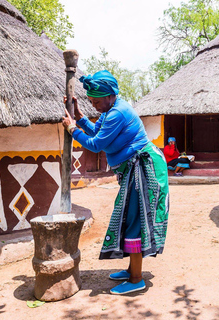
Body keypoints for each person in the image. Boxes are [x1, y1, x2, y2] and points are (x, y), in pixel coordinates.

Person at [61, 70, 169, 295]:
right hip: (135, 170)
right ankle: (132, 270)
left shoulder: (117, 113)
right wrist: (80, 117)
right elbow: (96, 131)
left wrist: (72, 128)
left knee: (135, 221)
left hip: (144, 170)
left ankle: (136, 279)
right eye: (91, 101)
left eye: (96, 101)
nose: (95, 105)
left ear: (110, 95)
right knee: (130, 218)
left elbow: (95, 144)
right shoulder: (111, 109)